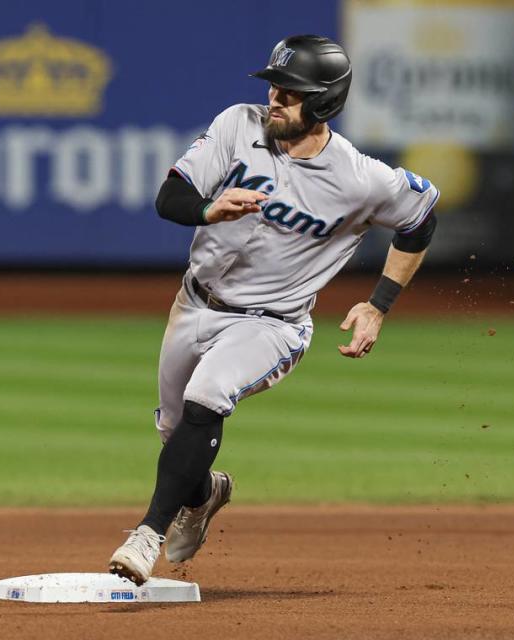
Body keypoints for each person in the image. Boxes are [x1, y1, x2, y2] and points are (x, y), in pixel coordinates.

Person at [108, 34, 439, 586]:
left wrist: (379, 305)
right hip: (193, 304)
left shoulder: (361, 178)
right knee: (176, 435)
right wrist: (208, 209)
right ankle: (207, 493)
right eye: (275, 87)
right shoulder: (238, 125)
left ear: (326, 103)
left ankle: (146, 535)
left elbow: (421, 218)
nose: (276, 99)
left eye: (292, 92)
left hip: (272, 325)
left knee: (206, 397)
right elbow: (171, 198)